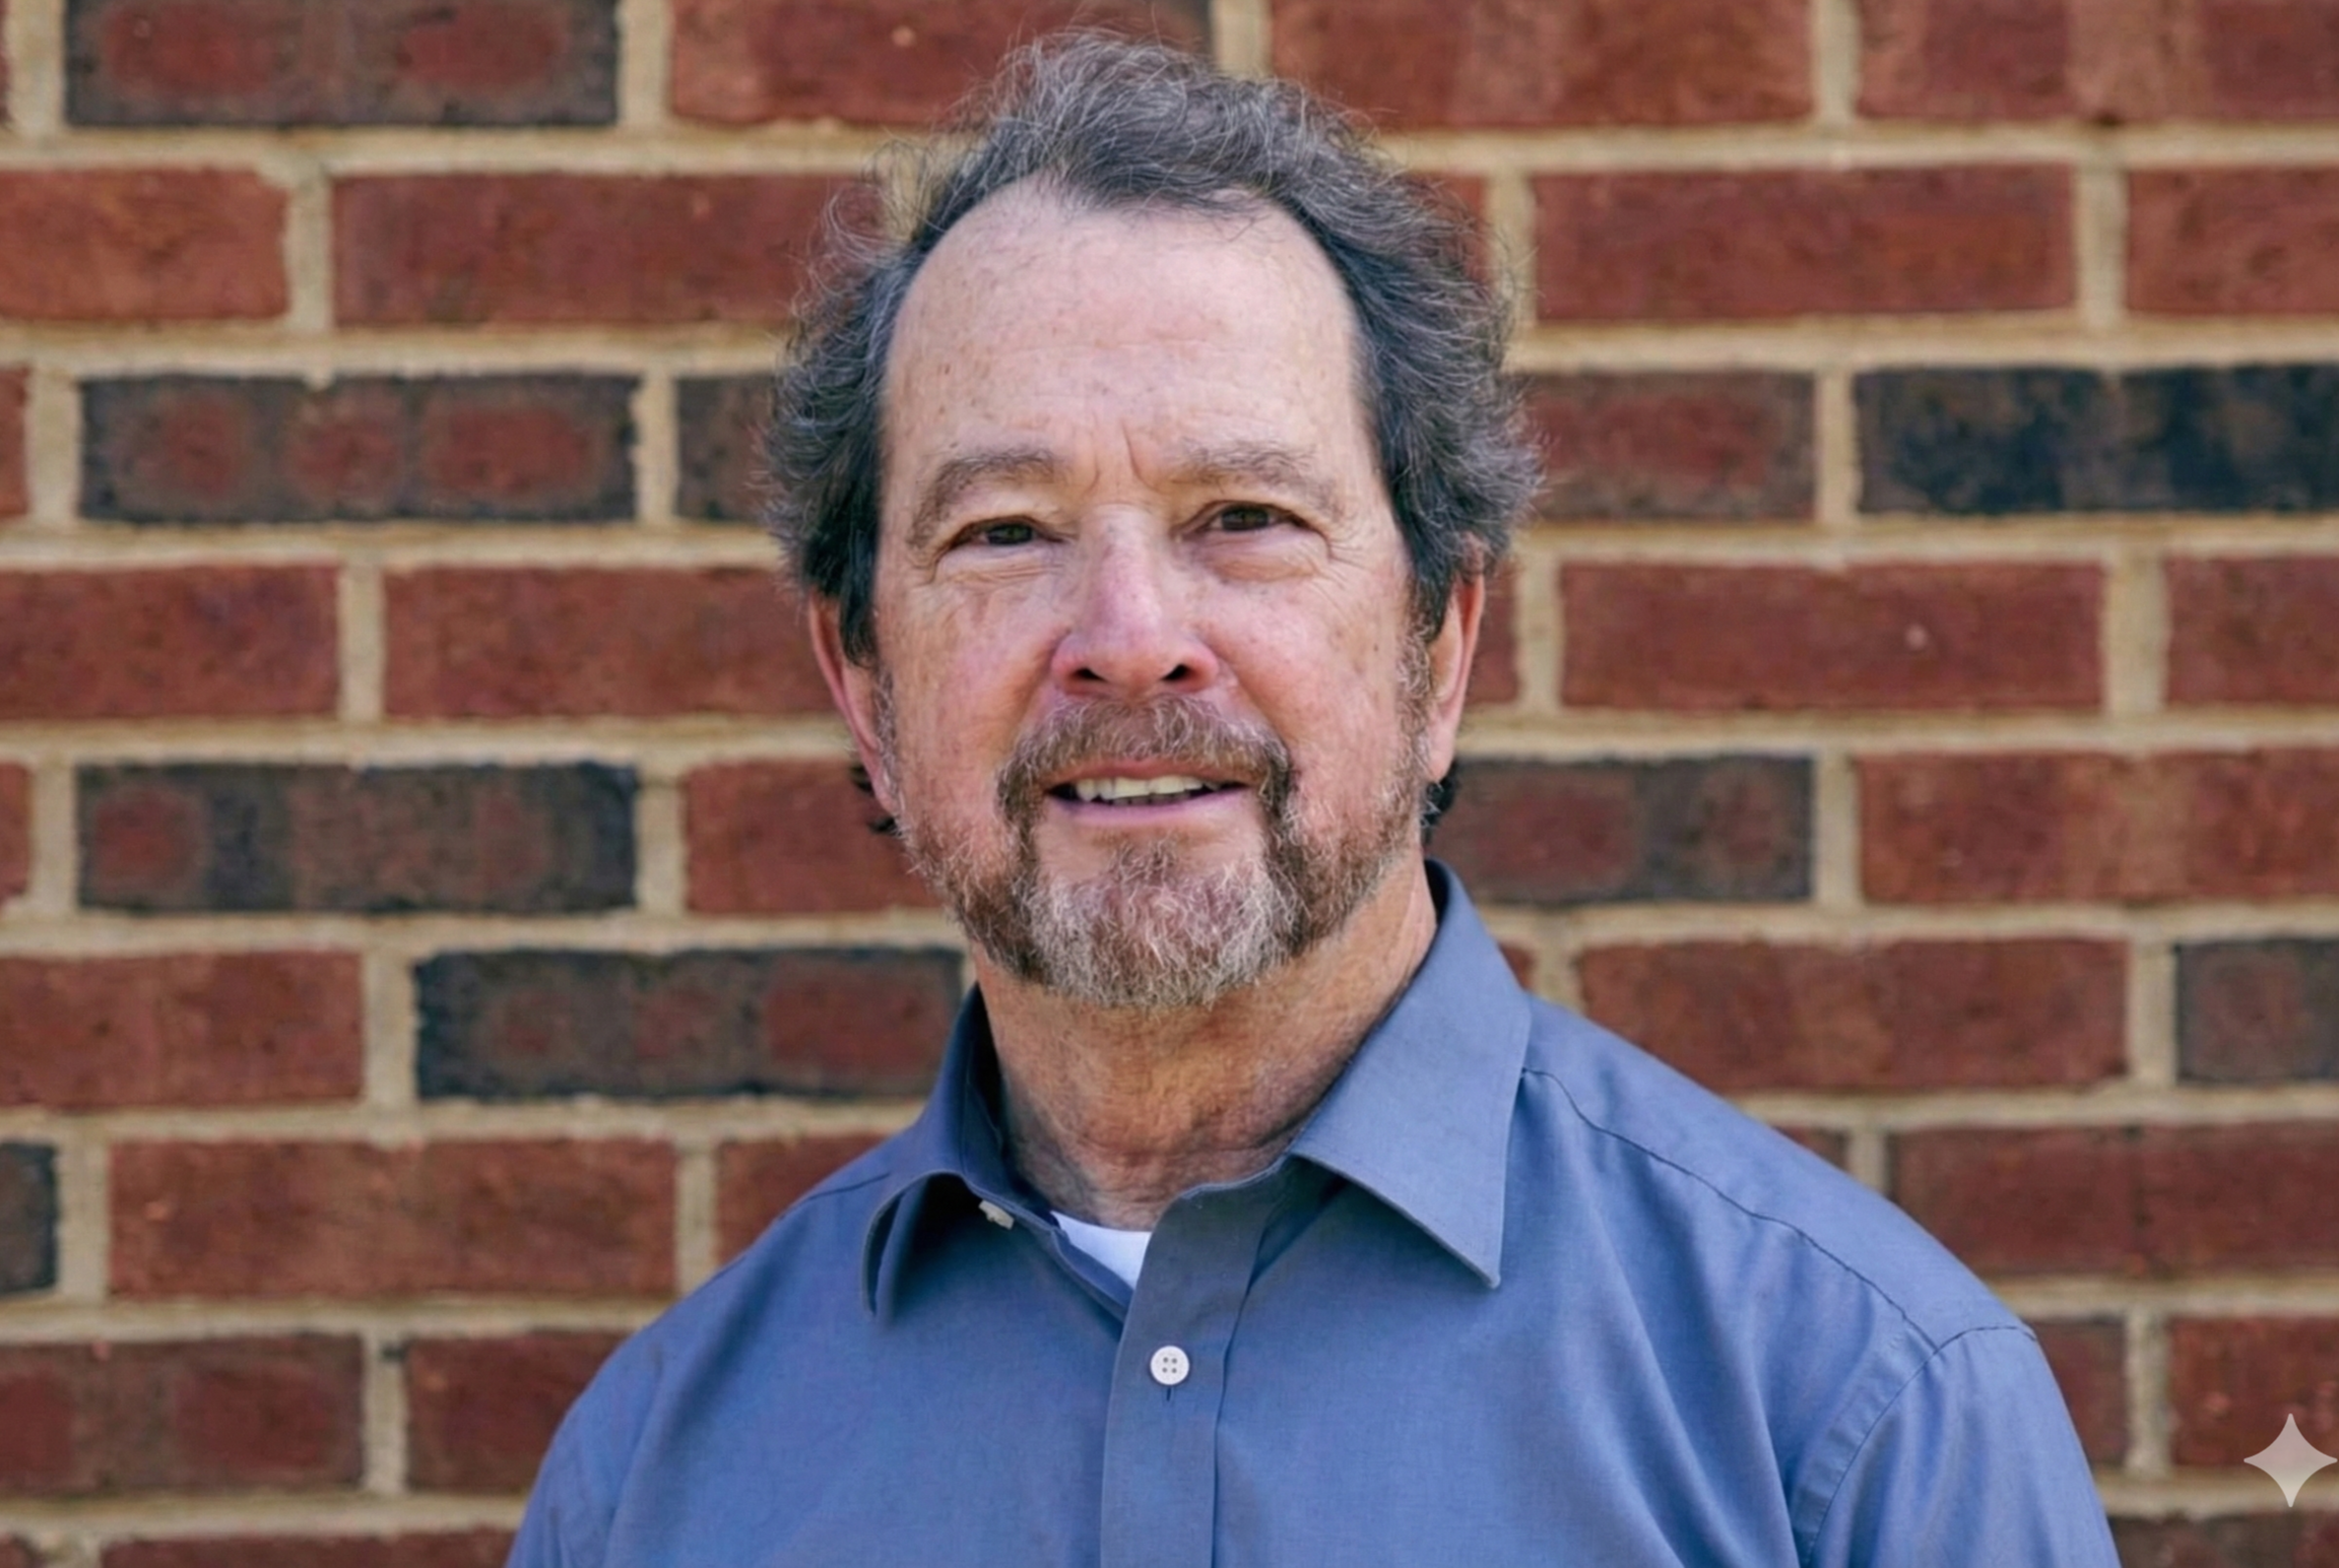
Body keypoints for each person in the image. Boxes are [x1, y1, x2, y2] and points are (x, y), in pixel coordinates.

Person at [509, 36, 2117, 1568]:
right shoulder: (657, 1478)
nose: (1130, 640)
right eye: (1003, 532)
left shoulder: (1849, 1410)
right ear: (862, 681)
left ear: (1442, 644)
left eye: (1246, 516)